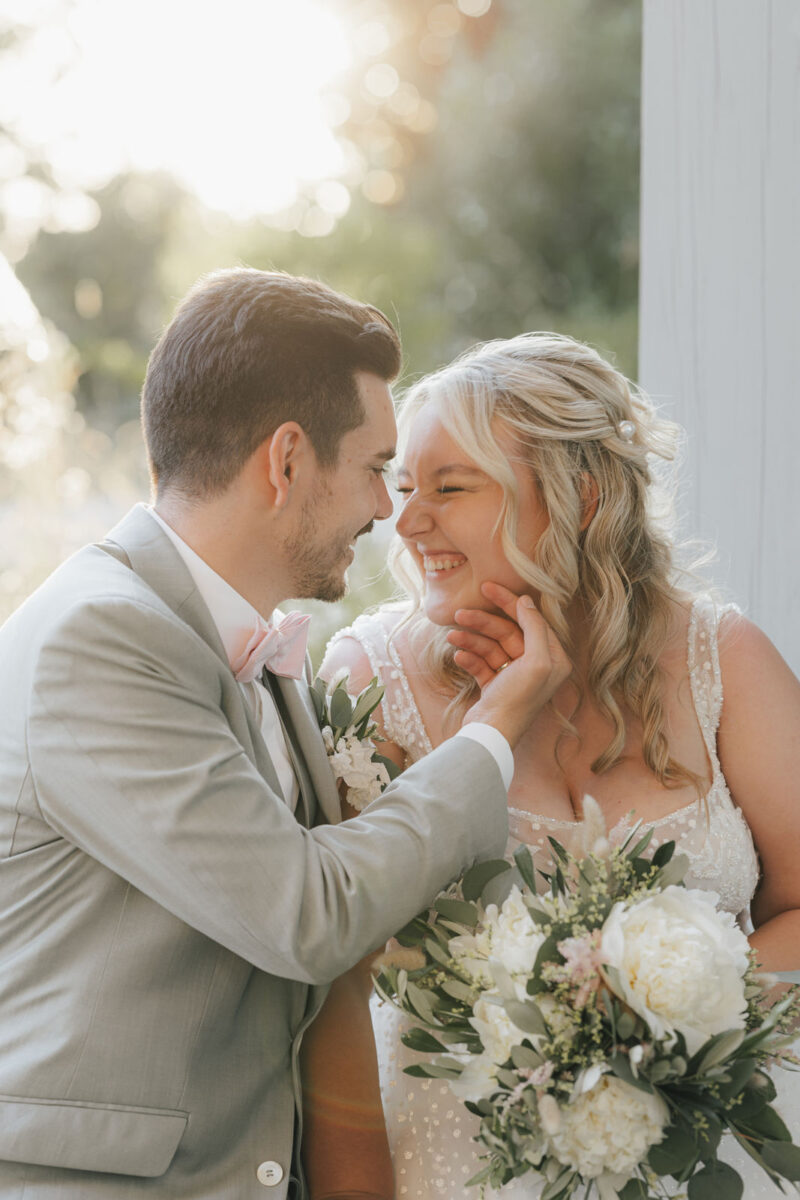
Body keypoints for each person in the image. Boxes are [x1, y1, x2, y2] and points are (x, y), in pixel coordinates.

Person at [0, 273, 572, 1200]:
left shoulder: (240, 636)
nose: (386, 510)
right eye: (375, 469)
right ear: (287, 461)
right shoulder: (99, 637)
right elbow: (307, 913)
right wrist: (495, 729)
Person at [319, 331, 800, 1199]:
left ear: (580, 496)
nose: (407, 519)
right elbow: (328, 984)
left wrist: (660, 1024)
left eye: (450, 488)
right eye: (402, 488)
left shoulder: (725, 662)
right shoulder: (366, 680)